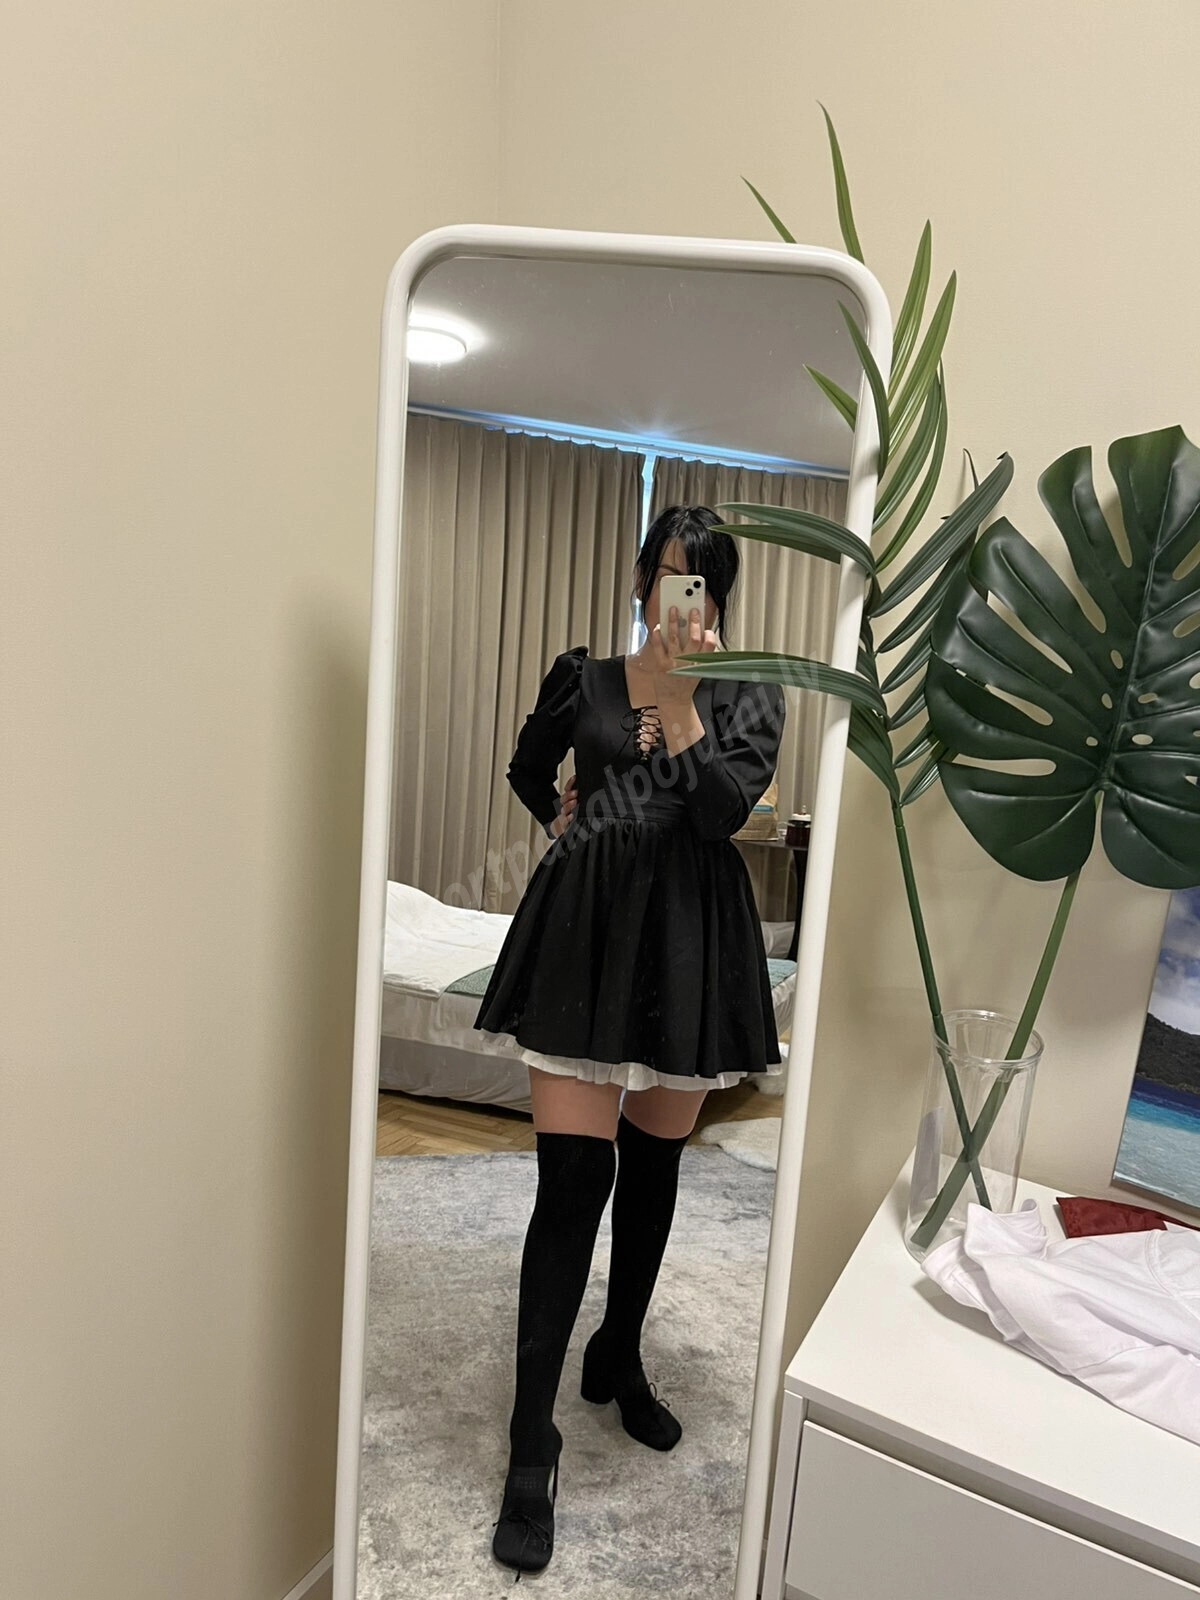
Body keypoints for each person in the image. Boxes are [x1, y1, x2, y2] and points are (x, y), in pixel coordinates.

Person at [474, 505, 786, 1579]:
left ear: (721, 598)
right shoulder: (587, 676)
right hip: (586, 931)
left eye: (703, 581)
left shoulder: (751, 691)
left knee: (654, 1166)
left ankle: (619, 1351)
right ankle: (532, 1441)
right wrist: (562, 821)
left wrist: (688, 706)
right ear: (644, 578)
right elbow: (527, 767)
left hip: (692, 941)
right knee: (571, 1181)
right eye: (669, 575)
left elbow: (722, 813)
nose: (681, 597)